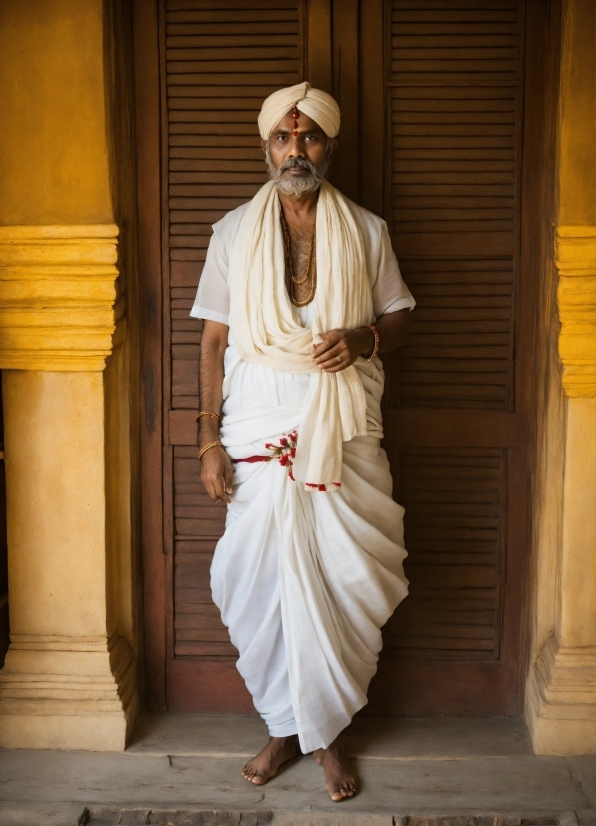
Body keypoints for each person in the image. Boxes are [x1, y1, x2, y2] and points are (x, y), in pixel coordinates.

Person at [190, 82, 415, 802]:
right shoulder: (231, 233)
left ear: (329, 147)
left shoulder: (369, 232)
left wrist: (363, 338)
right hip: (256, 433)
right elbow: (215, 340)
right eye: (285, 139)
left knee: (344, 586)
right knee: (255, 586)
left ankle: (326, 736)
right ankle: (286, 727)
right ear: (266, 147)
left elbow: (399, 317)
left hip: (341, 435)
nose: (296, 151)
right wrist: (206, 442)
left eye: (310, 138)